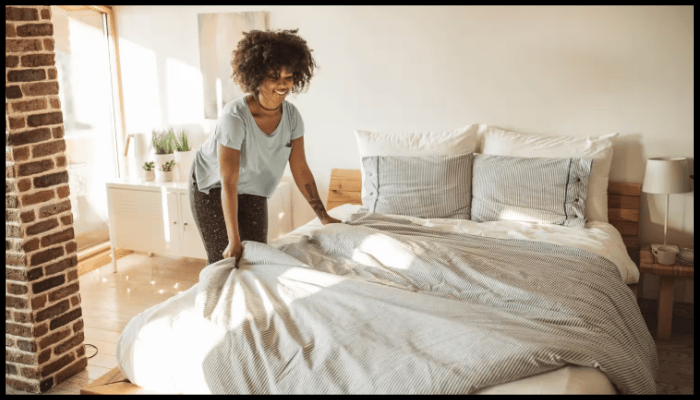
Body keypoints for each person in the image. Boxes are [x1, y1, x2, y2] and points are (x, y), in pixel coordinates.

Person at [189, 28, 341, 266]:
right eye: (274, 76)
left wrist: (323, 216)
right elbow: (228, 181)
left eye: (288, 77)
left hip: (253, 188)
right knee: (226, 261)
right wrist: (233, 239)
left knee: (257, 259)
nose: (283, 84)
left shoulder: (292, 117)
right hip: (213, 187)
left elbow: (300, 169)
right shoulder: (235, 117)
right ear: (257, 77)